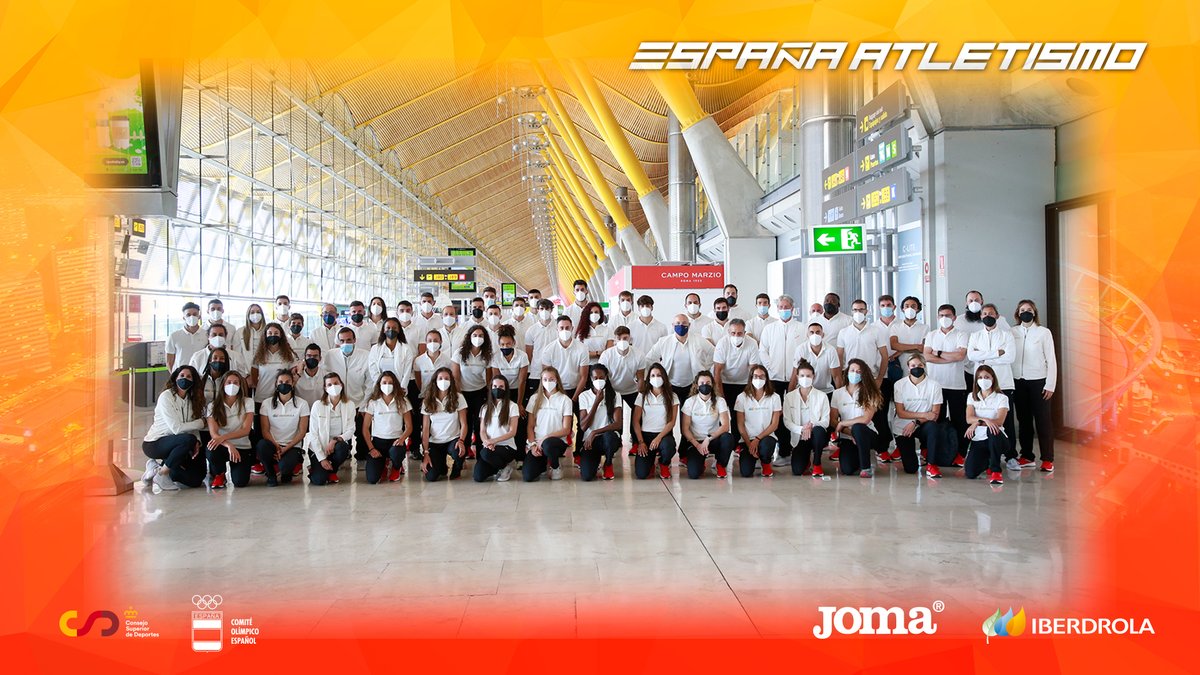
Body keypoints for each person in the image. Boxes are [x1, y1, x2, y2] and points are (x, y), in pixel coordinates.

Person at [836, 299, 891, 462]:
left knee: (879, 416)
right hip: (851, 378)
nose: (858, 312)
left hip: (871, 379)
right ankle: (845, 443)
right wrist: (841, 381)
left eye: (861, 309)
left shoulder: (876, 331)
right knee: (848, 412)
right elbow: (839, 357)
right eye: (855, 310)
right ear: (851, 312)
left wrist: (880, 378)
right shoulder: (844, 332)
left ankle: (882, 449)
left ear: (867, 311)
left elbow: (885, 356)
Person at [141, 366, 207, 493]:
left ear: (193, 381)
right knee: (188, 439)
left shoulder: (191, 400)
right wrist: (201, 423)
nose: (184, 379)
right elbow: (176, 428)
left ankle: (156, 469)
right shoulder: (166, 397)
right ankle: (162, 474)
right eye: (182, 375)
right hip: (155, 443)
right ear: (175, 378)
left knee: (196, 479)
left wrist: (197, 441)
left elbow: (191, 424)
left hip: (179, 443)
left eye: (189, 377)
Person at [967, 303, 1017, 466]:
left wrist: (983, 358)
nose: (987, 316)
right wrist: (996, 353)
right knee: (983, 417)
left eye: (991, 313)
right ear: (981, 316)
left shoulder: (1006, 335)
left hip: (1004, 382)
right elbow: (971, 356)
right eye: (984, 313)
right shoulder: (975, 336)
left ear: (997, 316)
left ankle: (1011, 456)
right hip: (981, 384)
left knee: (1007, 422)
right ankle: (988, 454)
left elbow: (1010, 357)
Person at [1011, 299, 1057, 472]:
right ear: (1018, 313)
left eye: (1029, 310)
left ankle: (1047, 459)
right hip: (1018, 381)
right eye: (1022, 309)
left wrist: (1050, 384)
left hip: (1039, 381)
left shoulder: (1043, 332)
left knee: (1043, 420)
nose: (1026, 312)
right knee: (1024, 421)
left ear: (1034, 312)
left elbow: (1051, 359)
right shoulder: (1012, 332)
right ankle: (1027, 456)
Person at [758, 294, 804, 463]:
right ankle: (783, 450)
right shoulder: (769, 329)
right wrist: (771, 367)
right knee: (776, 413)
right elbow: (763, 350)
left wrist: (797, 372)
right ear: (777, 309)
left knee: (794, 412)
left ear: (792, 308)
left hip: (796, 379)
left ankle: (797, 449)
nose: (784, 310)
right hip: (774, 378)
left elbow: (804, 352)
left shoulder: (801, 328)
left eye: (787, 307)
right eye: (781, 307)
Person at [924, 304, 969, 465]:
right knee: (937, 420)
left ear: (954, 317)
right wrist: (949, 358)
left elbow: (960, 356)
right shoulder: (931, 335)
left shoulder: (961, 334)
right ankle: (936, 454)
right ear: (938, 317)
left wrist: (938, 353)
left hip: (956, 384)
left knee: (959, 420)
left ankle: (961, 454)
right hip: (936, 385)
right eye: (942, 315)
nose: (945, 318)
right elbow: (926, 357)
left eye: (948, 315)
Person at [646, 314, 714, 420]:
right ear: (672, 325)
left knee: (688, 416)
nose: (681, 326)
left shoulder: (698, 339)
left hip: (691, 385)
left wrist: (705, 367)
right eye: (677, 323)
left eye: (684, 323)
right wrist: (658, 372)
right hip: (670, 385)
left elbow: (714, 353)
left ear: (689, 325)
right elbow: (649, 358)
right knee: (668, 415)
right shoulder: (664, 341)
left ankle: (685, 431)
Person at [322, 326, 372, 464]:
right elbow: (326, 378)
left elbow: (370, 382)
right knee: (342, 430)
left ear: (355, 340)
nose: (345, 343)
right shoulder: (330, 355)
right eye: (342, 341)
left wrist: (364, 405)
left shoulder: (365, 355)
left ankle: (362, 457)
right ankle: (345, 452)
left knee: (362, 432)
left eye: (349, 340)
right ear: (338, 342)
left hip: (359, 402)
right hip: (339, 402)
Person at [891, 352, 944, 477]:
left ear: (924, 366)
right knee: (911, 468)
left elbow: (934, 414)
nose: (916, 368)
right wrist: (925, 414)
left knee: (933, 427)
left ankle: (931, 464)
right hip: (903, 427)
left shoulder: (934, 385)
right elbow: (901, 413)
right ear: (908, 367)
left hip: (922, 424)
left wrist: (916, 422)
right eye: (913, 365)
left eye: (920, 365)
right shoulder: (899, 385)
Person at [256, 370, 309, 487]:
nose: (284, 384)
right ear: (276, 384)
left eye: (287, 382)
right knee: (261, 446)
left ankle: (287, 472)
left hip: (292, 446)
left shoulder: (302, 404)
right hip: (273, 444)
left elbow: (302, 432)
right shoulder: (266, 403)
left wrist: (285, 449)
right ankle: (271, 475)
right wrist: (276, 446)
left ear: (293, 383)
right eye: (280, 382)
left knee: (285, 467)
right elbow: (265, 430)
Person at [249, 322, 298, 448]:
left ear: (281, 335)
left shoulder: (288, 354)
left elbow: (293, 375)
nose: (273, 335)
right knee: (260, 431)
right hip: (262, 397)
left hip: (281, 398)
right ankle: (260, 455)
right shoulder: (259, 354)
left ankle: (280, 451)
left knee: (279, 428)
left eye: (276, 333)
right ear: (265, 335)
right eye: (269, 333)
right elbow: (254, 375)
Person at [712, 319, 760, 448]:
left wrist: (751, 391)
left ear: (745, 332)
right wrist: (720, 396)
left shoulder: (752, 343)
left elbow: (753, 370)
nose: (736, 336)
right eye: (733, 333)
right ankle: (718, 444)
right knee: (721, 413)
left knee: (738, 414)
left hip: (743, 382)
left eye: (739, 333)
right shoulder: (722, 343)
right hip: (724, 381)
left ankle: (738, 443)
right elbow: (717, 372)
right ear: (728, 332)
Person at [831, 359, 883, 477]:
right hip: (847, 435)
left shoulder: (869, 392)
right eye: (852, 370)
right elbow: (833, 420)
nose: (855, 373)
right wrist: (849, 432)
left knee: (858, 427)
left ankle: (866, 468)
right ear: (847, 372)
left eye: (859, 371)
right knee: (847, 469)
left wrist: (843, 423)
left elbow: (865, 419)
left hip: (867, 433)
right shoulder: (837, 393)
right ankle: (860, 455)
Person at [203, 370, 254, 489]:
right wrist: (229, 445)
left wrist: (225, 438)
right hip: (222, 446)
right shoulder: (212, 406)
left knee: (240, 482)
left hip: (242, 446)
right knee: (211, 449)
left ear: (240, 385)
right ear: (223, 385)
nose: (232, 385)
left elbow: (246, 430)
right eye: (229, 382)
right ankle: (219, 474)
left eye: (236, 383)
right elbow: (214, 434)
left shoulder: (248, 402)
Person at [679, 371, 734, 479]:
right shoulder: (690, 402)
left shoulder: (720, 401)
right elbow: (685, 429)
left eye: (708, 383)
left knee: (728, 438)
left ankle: (721, 464)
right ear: (697, 385)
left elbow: (725, 426)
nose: (705, 385)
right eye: (702, 383)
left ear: (712, 385)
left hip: (713, 439)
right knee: (694, 474)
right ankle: (700, 462)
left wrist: (708, 439)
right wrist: (697, 445)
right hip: (696, 442)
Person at [599, 325, 645, 454]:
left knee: (637, 416)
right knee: (615, 418)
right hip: (613, 390)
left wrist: (641, 396)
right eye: (619, 338)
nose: (622, 341)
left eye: (625, 338)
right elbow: (603, 377)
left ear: (630, 338)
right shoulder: (607, 355)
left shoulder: (639, 354)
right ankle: (616, 441)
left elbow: (640, 377)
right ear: (614, 339)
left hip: (632, 390)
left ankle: (636, 442)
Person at [523, 366, 574, 482]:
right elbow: (530, 426)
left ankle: (556, 467)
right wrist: (532, 445)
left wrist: (545, 438)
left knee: (548, 444)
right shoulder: (534, 398)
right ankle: (542, 466)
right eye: (545, 379)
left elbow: (566, 429)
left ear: (557, 380)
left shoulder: (565, 400)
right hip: (538, 444)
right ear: (541, 381)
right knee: (528, 476)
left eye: (551, 379)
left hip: (556, 443)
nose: (548, 382)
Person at [362, 371, 413, 484]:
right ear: (379, 384)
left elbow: (409, 427)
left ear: (395, 385)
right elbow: (365, 428)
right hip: (378, 443)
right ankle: (384, 463)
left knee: (396, 452)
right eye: (384, 382)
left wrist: (401, 439)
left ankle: (396, 466)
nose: (387, 385)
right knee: (372, 479)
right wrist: (371, 448)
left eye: (390, 383)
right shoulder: (373, 402)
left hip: (396, 442)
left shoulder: (402, 401)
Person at [783, 359, 832, 477]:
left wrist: (811, 425)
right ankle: (806, 459)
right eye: (802, 376)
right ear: (797, 377)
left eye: (808, 376)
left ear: (813, 376)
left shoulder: (822, 396)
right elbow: (787, 421)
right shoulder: (789, 397)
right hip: (800, 437)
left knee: (819, 431)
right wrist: (802, 429)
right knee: (797, 470)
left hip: (816, 435)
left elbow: (826, 421)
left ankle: (817, 463)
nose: (805, 378)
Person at [304, 373, 354, 485]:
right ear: (325, 388)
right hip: (319, 449)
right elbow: (313, 434)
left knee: (343, 447)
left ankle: (332, 470)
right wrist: (322, 458)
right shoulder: (317, 405)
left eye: (336, 383)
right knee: (319, 481)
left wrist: (335, 440)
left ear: (341, 385)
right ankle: (316, 468)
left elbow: (351, 430)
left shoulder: (349, 405)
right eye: (329, 385)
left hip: (336, 447)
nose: (333, 387)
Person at [954, 290, 1011, 390]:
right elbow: (964, 350)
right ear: (966, 303)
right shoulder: (958, 321)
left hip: (992, 370)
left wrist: (981, 355)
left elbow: (1008, 344)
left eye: (977, 300)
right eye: (970, 301)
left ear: (982, 301)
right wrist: (995, 353)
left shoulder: (1000, 320)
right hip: (967, 370)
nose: (974, 303)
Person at [963, 365, 1010, 486]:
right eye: (980, 377)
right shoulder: (971, 397)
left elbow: (999, 421)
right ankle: (987, 461)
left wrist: (978, 422)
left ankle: (996, 471)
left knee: (992, 429)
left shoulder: (1002, 398)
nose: (983, 380)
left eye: (987, 377)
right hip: (979, 439)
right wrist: (983, 420)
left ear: (993, 379)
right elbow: (969, 418)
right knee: (970, 473)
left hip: (997, 438)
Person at [632, 363, 679, 479]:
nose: (656, 378)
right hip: (646, 436)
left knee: (668, 446)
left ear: (664, 377)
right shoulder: (642, 396)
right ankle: (650, 463)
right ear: (649, 378)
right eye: (653, 375)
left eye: (659, 375)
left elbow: (672, 422)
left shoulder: (672, 396)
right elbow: (635, 421)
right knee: (641, 474)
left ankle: (664, 463)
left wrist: (659, 437)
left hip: (663, 435)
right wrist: (641, 442)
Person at [420, 367, 468, 481]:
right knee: (431, 477)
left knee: (458, 452)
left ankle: (457, 469)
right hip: (435, 442)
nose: (443, 381)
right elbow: (425, 429)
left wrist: (461, 441)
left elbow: (464, 424)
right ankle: (442, 466)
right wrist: (425, 452)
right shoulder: (427, 400)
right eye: (440, 378)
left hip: (453, 440)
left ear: (451, 381)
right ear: (435, 381)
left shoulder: (459, 397)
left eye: (447, 378)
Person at [452, 324, 493, 459]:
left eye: (481, 336)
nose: (477, 338)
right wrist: (459, 396)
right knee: (465, 423)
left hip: (480, 392)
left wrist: (489, 397)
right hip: (463, 393)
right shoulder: (459, 353)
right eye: (475, 335)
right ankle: (464, 451)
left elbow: (489, 379)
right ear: (469, 337)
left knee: (479, 422)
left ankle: (481, 454)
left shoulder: (487, 355)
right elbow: (456, 377)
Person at [577, 364, 623, 481]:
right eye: (595, 378)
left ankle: (608, 463)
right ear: (591, 379)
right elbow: (583, 426)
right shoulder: (584, 396)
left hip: (608, 438)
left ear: (606, 377)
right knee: (587, 476)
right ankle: (595, 462)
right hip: (590, 441)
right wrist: (596, 402)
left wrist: (595, 432)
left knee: (609, 437)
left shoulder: (615, 395)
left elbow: (618, 424)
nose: (598, 380)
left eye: (601, 378)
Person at [734, 365, 781, 478]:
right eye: (755, 376)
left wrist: (757, 439)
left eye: (761, 376)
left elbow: (774, 425)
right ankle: (750, 454)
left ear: (766, 378)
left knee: (766, 446)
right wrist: (749, 444)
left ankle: (765, 462)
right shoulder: (742, 397)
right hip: (747, 439)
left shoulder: (775, 397)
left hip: (766, 438)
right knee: (746, 473)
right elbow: (740, 425)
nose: (758, 379)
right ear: (751, 378)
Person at [472, 375, 522, 482]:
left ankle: (506, 466)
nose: (497, 389)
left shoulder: (512, 406)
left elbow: (512, 432)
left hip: (506, 447)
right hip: (490, 447)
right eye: (494, 386)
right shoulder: (485, 407)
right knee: (478, 476)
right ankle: (498, 467)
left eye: (501, 387)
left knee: (485, 453)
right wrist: (486, 442)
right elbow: (482, 430)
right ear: (490, 388)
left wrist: (493, 441)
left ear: (506, 389)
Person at [489, 325, 530, 451]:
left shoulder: (522, 356)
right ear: (499, 344)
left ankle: (520, 453)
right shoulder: (496, 357)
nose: (505, 347)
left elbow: (522, 381)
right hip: (502, 391)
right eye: (502, 344)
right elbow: (497, 380)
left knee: (521, 420)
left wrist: (519, 403)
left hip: (518, 390)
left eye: (508, 344)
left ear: (514, 343)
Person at [533, 316, 589, 398]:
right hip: (555, 390)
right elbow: (546, 375)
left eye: (567, 328)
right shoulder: (549, 350)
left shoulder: (582, 348)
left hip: (576, 390)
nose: (564, 330)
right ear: (557, 329)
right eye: (561, 328)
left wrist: (574, 399)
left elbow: (583, 377)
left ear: (572, 328)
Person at [789, 322, 842, 394]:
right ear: (807, 335)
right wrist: (789, 396)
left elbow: (836, 377)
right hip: (805, 391)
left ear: (823, 335)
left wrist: (841, 396)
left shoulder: (831, 350)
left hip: (825, 391)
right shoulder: (801, 349)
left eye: (818, 332)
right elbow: (794, 376)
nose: (815, 335)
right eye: (812, 332)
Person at [890, 296, 929, 378]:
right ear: (902, 309)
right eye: (907, 306)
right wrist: (916, 346)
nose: (910, 309)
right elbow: (894, 345)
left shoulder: (925, 328)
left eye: (913, 306)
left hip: (918, 365)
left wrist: (901, 350)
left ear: (918, 309)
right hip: (900, 366)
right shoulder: (895, 327)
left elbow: (923, 349)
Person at [165, 302, 206, 371]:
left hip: (201, 374)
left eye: (195, 314)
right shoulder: (174, 336)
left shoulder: (206, 334)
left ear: (199, 316)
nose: (192, 317)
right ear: (184, 318)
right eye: (188, 315)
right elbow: (169, 361)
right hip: (181, 374)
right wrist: (174, 375)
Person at [413, 329, 451, 395]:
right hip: (425, 396)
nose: (432, 343)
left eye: (435, 340)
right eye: (430, 341)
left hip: (442, 395)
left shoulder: (447, 360)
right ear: (426, 342)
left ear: (441, 342)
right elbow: (418, 380)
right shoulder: (418, 360)